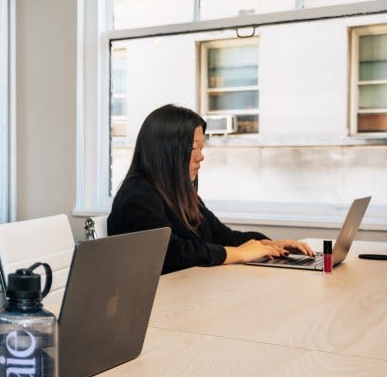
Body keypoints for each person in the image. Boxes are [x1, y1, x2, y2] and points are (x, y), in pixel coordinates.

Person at [107, 104, 314, 274]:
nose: (200, 156)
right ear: (167, 152)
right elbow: (170, 253)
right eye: (192, 148)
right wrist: (240, 254)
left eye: (201, 147)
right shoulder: (136, 196)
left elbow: (222, 236)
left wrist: (269, 244)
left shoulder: (182, 195)